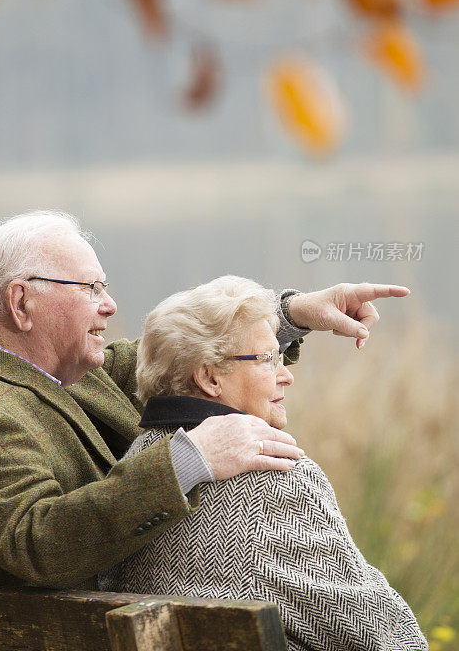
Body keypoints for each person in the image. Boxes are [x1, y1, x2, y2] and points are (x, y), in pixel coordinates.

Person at [0, 210, 409, 590]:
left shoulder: (45, 368)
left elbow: (174, 359)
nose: (109, 304)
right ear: (20, 302)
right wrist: (188, 460)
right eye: (91, 288)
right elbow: (39, 543)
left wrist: (290, 314)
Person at [99, 276, 426, 651]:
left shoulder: (137, 462)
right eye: (268, 359)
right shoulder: (275, 476)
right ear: (208, 377)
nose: (286, 374)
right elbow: (382, 634)